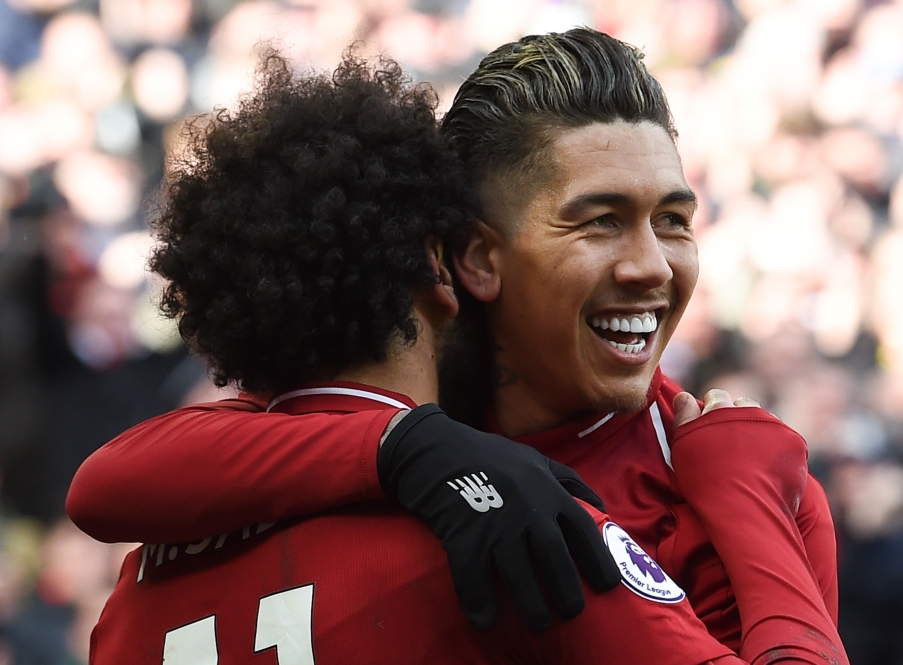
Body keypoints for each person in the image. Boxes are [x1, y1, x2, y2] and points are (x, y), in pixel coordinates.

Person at [71, 29, 847, 665]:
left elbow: (106, 484)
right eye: (599, 219)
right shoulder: (511, 518)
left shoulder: (722, 476)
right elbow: (106, 483)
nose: (650, 263)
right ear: (464, 260)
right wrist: (415, 447)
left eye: (675, 219)